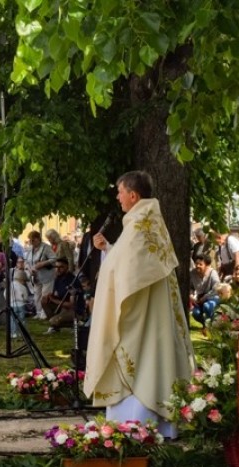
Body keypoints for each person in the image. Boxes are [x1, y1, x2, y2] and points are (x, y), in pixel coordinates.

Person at [85, 171, 194, 438]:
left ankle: (137, 424)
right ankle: (156, 422)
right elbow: (131, 265)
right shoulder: (148, 222)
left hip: (139, 313)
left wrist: (109, 257)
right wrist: (109, 250)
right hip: (148, 309)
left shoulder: (139, 224)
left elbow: (127, 269)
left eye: (120, 191)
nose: (118, 197)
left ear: (133, 195)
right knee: (154, 357)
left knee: (139, 358)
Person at [41, 257, 80, 333]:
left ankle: (76, 325)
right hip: (63, 307)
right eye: (56, 267)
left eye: (61, 267)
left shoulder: (73, 281)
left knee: (53, 320)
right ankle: (54, 327)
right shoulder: (58, 279)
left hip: (74, 310)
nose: (58, 269)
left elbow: (72, 305)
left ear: (67, 267)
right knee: (44, 300)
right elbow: (57, 294)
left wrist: (53, 299)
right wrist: (50, 296)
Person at [25, 231, 56, 320]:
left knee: (45, 295)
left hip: (47, 275)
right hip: (35, 276)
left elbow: (54, 258)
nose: (31, 242)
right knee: (36, 295)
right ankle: (38, 312)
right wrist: (29, 269)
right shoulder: (30, 249)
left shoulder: (46, 247)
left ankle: (45, 313)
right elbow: (26, 261)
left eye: (33, 240)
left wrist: (42, 263)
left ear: (38, 239)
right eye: (30, 240)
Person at [190, 254, 220, 326]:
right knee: (195, 313)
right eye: (196, 264)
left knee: (207, 306)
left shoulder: (213, 273)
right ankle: (206, 325)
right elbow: (190, 287)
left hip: (212, 296)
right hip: (200, 298)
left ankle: (213, 325)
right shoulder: (192, 273)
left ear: (206, 265)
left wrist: (205, 297)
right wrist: (191, 296)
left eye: (200, 264)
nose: (198, 266)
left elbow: (216, 288)